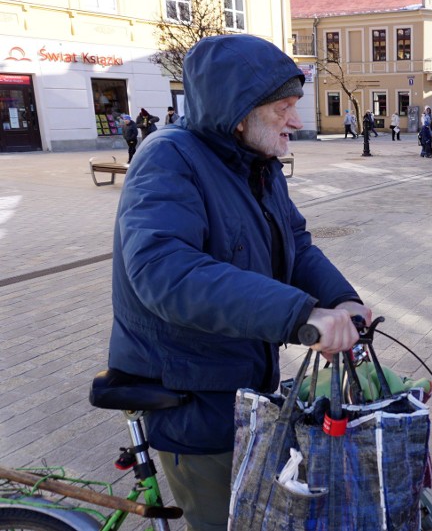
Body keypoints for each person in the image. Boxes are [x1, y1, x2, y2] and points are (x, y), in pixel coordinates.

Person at [106, 34, 372, 531]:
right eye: (283, 108)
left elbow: (295, 244)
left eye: (296, 106)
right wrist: (301, 315)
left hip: (240, 385)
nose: (296, 121)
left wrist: (342, 299)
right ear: (238, 112)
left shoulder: (260, 164)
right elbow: (166, 271)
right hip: (190, 393)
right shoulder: (168, 158)